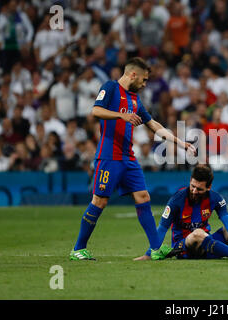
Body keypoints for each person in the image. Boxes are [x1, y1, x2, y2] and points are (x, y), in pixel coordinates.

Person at [70, 57, 195, 261]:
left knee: (143, 197)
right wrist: (121, 116)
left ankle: (155, 248)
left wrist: (180, 143)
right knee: (99, 201)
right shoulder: (110, 87)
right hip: (109, 157)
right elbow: (95, 110)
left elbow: (153, 124)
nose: (145, 84)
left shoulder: (135, 99)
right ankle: (78, 248)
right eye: (144, 80)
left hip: (128, 158)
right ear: (133, 74)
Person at [134, 165, 228, 261]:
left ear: (209, 187)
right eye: (193, 186)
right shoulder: (177, 200)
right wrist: (149, 253)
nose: (194, 191)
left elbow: (227, 221)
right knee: (198, 233)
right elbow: (162, 228)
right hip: (184, 247)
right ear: (190, 181)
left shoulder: (215, 198)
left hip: (207, 241)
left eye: (199, 189)